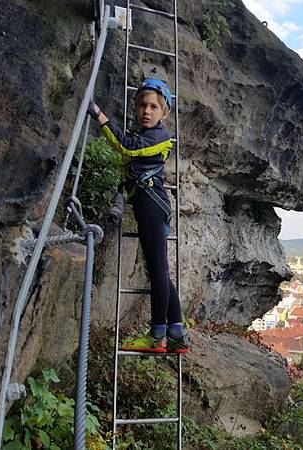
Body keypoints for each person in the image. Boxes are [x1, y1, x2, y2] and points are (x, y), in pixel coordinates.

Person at [88, 78, 189, 353]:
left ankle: (157, 335)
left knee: (158, 270)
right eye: (143, 105)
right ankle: (176, 333)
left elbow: (128, 148)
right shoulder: (147, 135)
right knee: (160, 270)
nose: (147, 110)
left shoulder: (158, 136)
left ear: (164, 112)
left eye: (154, 106)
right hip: (150, 204)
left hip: (152, 205)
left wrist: (99, 115)